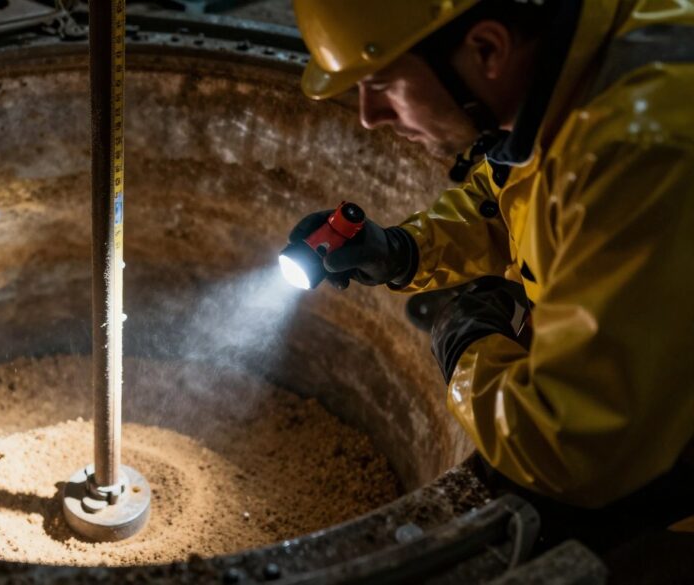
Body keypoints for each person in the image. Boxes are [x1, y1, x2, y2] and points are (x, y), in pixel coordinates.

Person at [287, 0, 694, 511]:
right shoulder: (572, 71)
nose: (370, 117)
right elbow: (513, 187)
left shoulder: (641, 150)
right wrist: (403, 251)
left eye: (384, 85)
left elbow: (567, 447)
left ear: (487, 49)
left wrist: (464, 344)